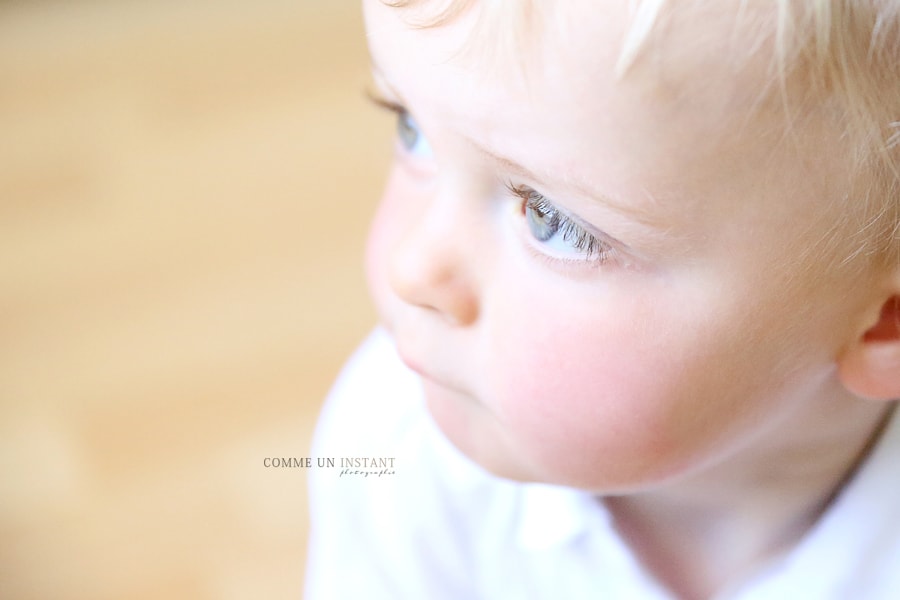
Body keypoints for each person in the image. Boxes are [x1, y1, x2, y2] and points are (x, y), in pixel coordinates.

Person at [305, 1, 900, 598]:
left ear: (887, 322)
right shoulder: (394, 455)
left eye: (554, 222)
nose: (412, 269)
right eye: (412, 130)